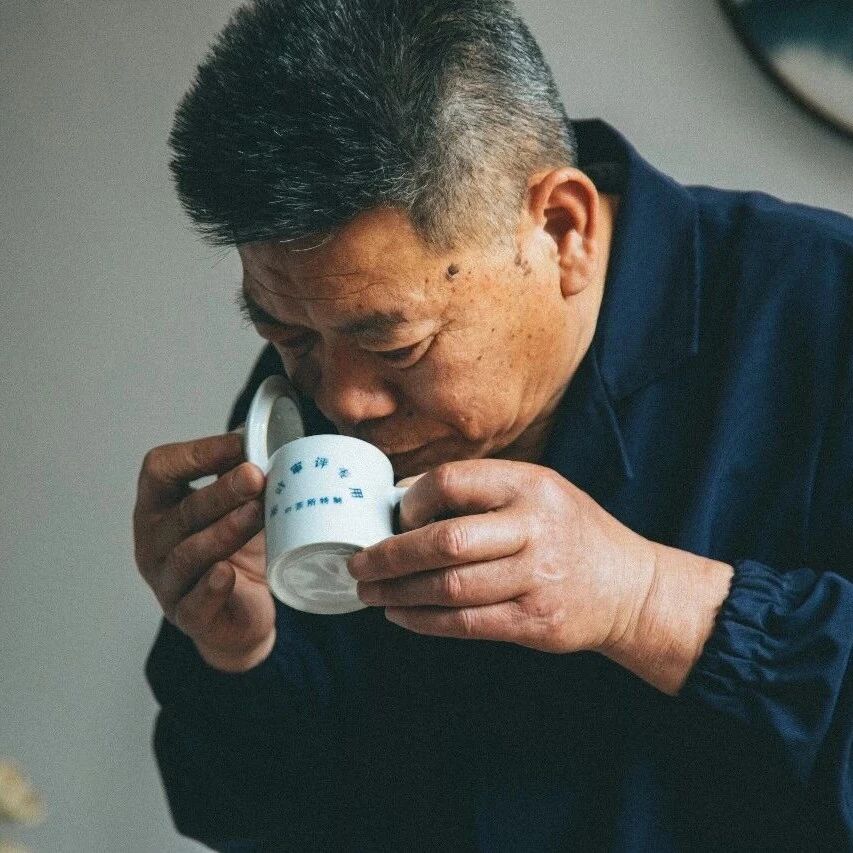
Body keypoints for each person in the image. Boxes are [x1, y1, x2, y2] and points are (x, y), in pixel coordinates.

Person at [133, 1, 852, 850]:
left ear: (561, 230)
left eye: (396, 344)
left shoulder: (821, 311)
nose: (347, 404)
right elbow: (255, 821)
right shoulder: (318, 379)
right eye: (287, 335)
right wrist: (238, 656)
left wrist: (645, 600)